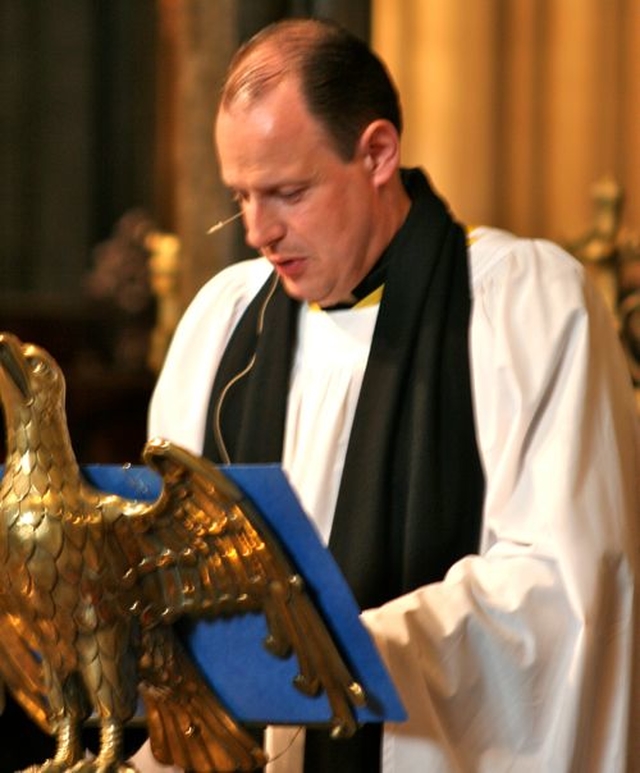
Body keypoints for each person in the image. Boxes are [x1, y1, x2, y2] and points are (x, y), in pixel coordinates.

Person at [134, 17, 640, 773]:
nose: (257, 231)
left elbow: (562, 596)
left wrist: (335, 652)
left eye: (288, 192)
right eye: (239, 196)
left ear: (377, 153)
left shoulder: (521, 307)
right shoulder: (224, 323)